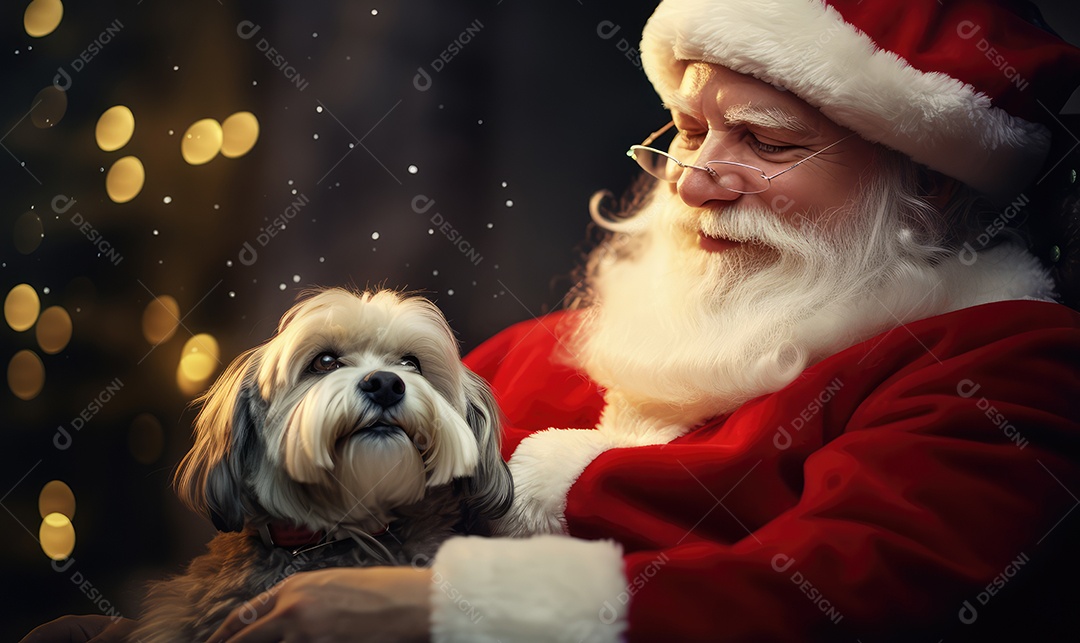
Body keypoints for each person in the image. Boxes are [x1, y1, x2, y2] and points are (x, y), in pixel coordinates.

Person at [22, 0, 1080, 641]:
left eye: (762, 138)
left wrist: (445, 614)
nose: (699, 179)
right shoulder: (548, 355)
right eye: (686, 129)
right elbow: (310, 533)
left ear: (930, 185)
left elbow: (844, 599)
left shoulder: (1006, 370)